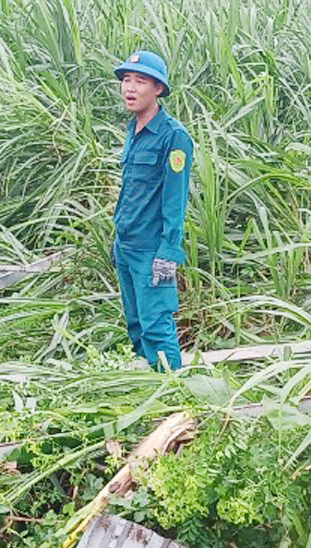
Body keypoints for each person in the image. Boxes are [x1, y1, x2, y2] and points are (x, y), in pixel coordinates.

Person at [112, 50, 193, 371]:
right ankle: (147, 395)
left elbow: (175, 202)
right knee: (136, 328)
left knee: (157, 328)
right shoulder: (134, 130)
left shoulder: (174, 138)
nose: (130, 88)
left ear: (158, 88)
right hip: (126, 247)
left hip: (152, 252)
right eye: (126, 80)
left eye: (140, 81)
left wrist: (168, 254)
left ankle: (174, 398)